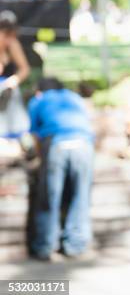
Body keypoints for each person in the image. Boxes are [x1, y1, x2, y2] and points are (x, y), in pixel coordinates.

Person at [28, 77, 95, 261]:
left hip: (57, 143)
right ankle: (76, 245)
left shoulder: (39, 100)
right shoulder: (74, 97)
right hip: (84, 145)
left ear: (39, 90)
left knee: (49, 196)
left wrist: (41, 159)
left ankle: (46, 246)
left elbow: (35, 134)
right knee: (81, 195)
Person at [0, 10, 31, 139]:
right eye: (6, 35)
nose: (8, 39)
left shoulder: (13, 44)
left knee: (16, 126)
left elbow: (24, 69)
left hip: (8, 91)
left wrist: (14, 80)